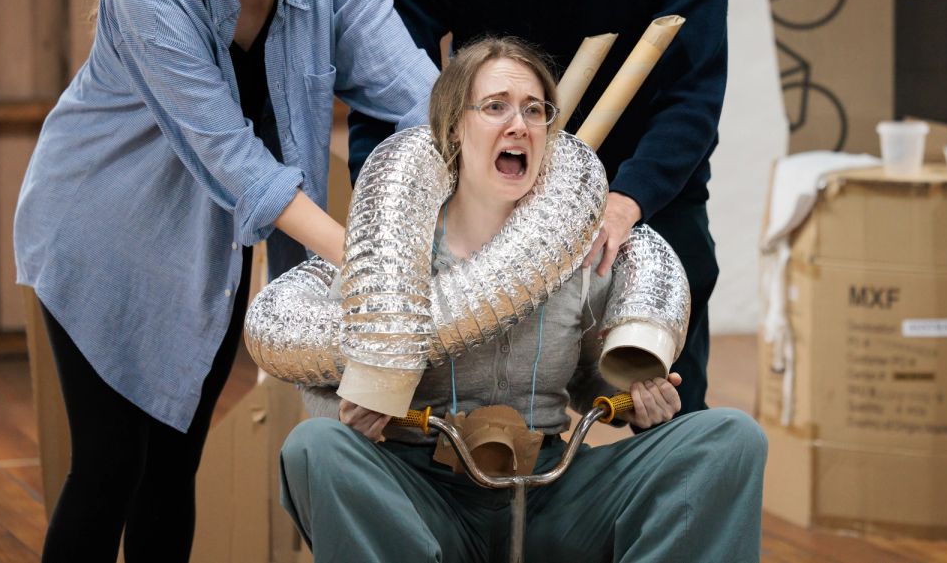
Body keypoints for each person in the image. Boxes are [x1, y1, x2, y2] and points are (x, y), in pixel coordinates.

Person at [13, 0, 438, 563]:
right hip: (99, 230)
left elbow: (405, 80)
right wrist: (364, 258)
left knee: (174, 465)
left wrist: (480, 143)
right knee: (110, 466)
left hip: (205, 245)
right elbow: (232, 159)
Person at [280, 37, 766, 562]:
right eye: (495, 107)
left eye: (534, 110)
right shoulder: (396, 244)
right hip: (424, 492)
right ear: (452, 129)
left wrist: (640, 400)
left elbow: (589, 382)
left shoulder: (572, 248)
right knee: (314, 448)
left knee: (730, 439)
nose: (519, 124)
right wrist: (347, 417)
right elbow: (325, 374)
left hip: (550, 489)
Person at [348, 0, 727, 415]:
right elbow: (384, 106)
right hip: (494, 191)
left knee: (668, 397)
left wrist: (626, 202)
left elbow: (691, 98)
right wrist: (400, 237)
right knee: (471, 403)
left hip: (641, 190)